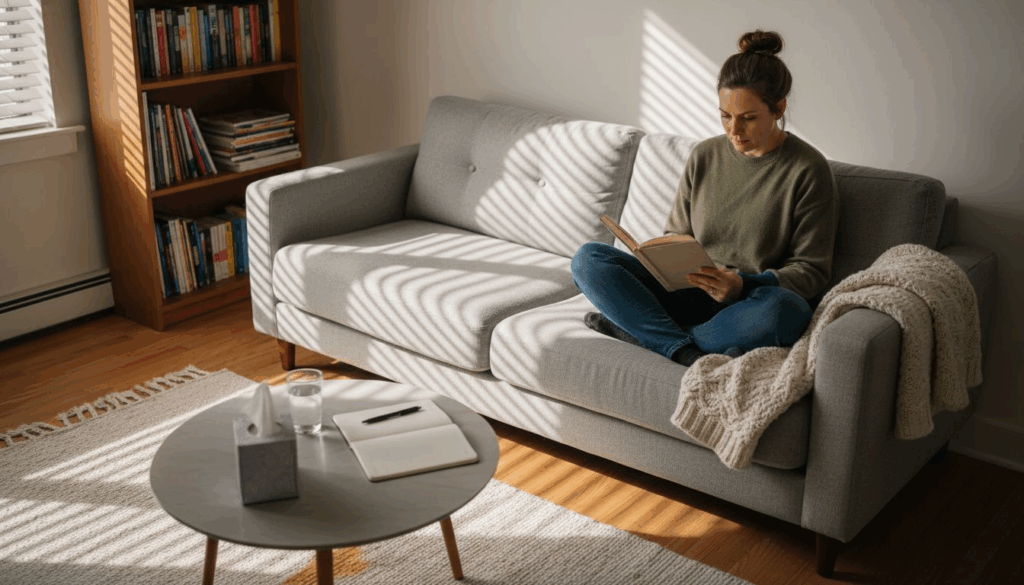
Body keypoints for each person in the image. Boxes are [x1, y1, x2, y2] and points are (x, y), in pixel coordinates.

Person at [571, 30, 839, 367]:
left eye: (748, 118)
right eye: (725, 115)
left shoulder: (808, 169)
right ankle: (684, 348)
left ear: (778, 108)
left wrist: (742, 284)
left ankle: (646, 333)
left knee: (787, 313)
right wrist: (664, 255)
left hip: (745, 302)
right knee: (588, 259)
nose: (734, 131)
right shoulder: (705, 155)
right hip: (684, 292)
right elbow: (677, 232)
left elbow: (812, 271)